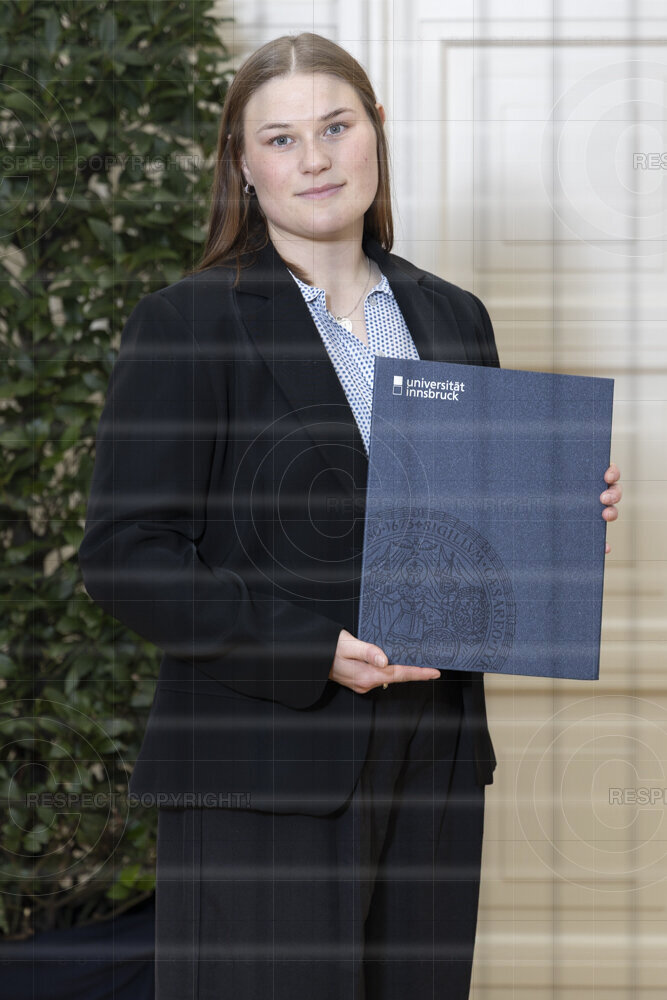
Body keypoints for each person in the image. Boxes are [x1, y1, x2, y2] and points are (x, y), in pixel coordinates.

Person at [78, 31, 623, 1000]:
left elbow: (467, 530)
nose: (315, 159)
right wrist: (309, 650)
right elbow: (126, 556)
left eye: (335, 127)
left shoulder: (453, 316)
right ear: (243, 163)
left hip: (434, 757)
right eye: (281, 139)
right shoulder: (185, 323)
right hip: (262, 768)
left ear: (375, 129)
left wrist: (557, 511)